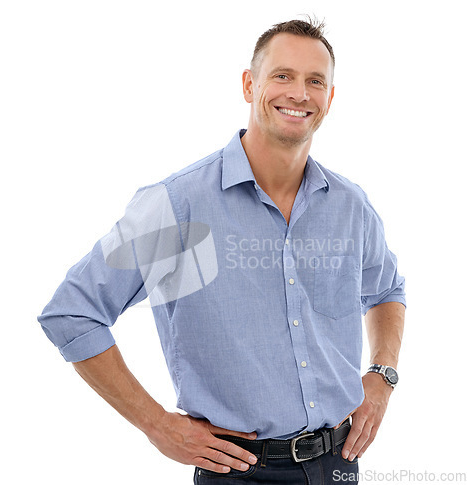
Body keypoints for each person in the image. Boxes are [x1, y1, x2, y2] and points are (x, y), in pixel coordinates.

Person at [38, 18, 406, 484]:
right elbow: (73, 313)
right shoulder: (179, 206)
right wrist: (157, 426)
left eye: (316, 81)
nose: (299, 93)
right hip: (236, 470)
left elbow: (387, 288)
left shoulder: (350, 206)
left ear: (330, 98)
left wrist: (383, 375)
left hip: (338, 463)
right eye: (282, 75)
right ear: (250, 85)